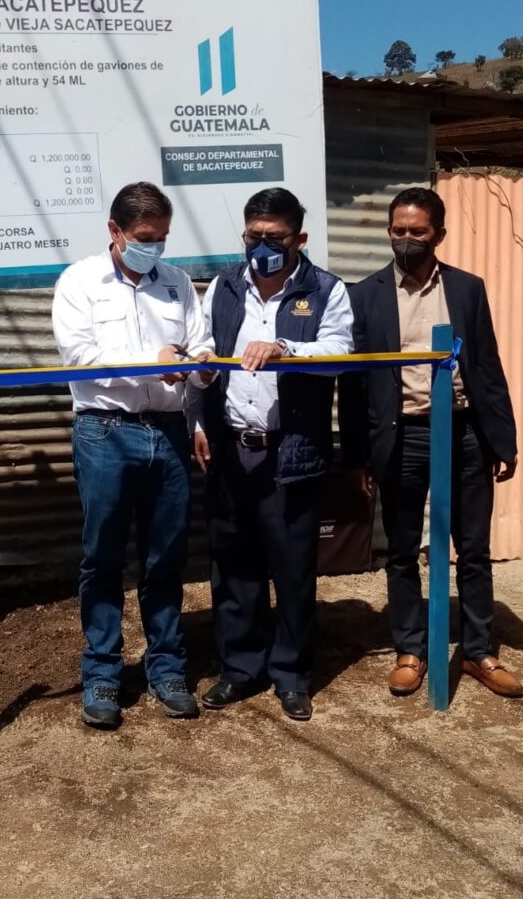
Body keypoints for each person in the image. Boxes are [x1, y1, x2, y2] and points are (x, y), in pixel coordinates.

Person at [339, 187, 522, 698]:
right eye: (398, 230)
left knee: (474, 549)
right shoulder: (366, 294)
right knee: (401, 550)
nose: (406, 240)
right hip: (403, 437)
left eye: (417, 232)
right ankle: (410, 650)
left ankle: (479, 651)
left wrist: (502, 440)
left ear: (438, 234)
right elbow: (353, 386)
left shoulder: (466, 289)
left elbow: (486, 366)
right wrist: (358, 455)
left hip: (463, 433)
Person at [188, 187, 354, 721]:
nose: (262, 247)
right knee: (233, 566)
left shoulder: (326, 290)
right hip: (233, 449)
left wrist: (287, 347)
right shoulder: (224, 287)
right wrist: (197, 413)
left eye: (274, 238)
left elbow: (340, 356)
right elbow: (202, 355)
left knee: (292, 568)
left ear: (298, 238)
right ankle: (240, 669)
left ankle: (291, 675)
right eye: (253, 237)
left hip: (291, 453)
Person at [52, 182, 213, 728]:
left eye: (163, 238)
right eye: (145, 238)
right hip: (105, 432)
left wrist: (203, 369)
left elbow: (198, 343)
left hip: (167, 429)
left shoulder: (177, 284)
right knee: (102, 557)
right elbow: (81, 355)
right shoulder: (79, 282)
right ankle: (102, 671)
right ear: (115, 232)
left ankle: (165, 665)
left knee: (165, 557)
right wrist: (153, 361)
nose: (156, 249)